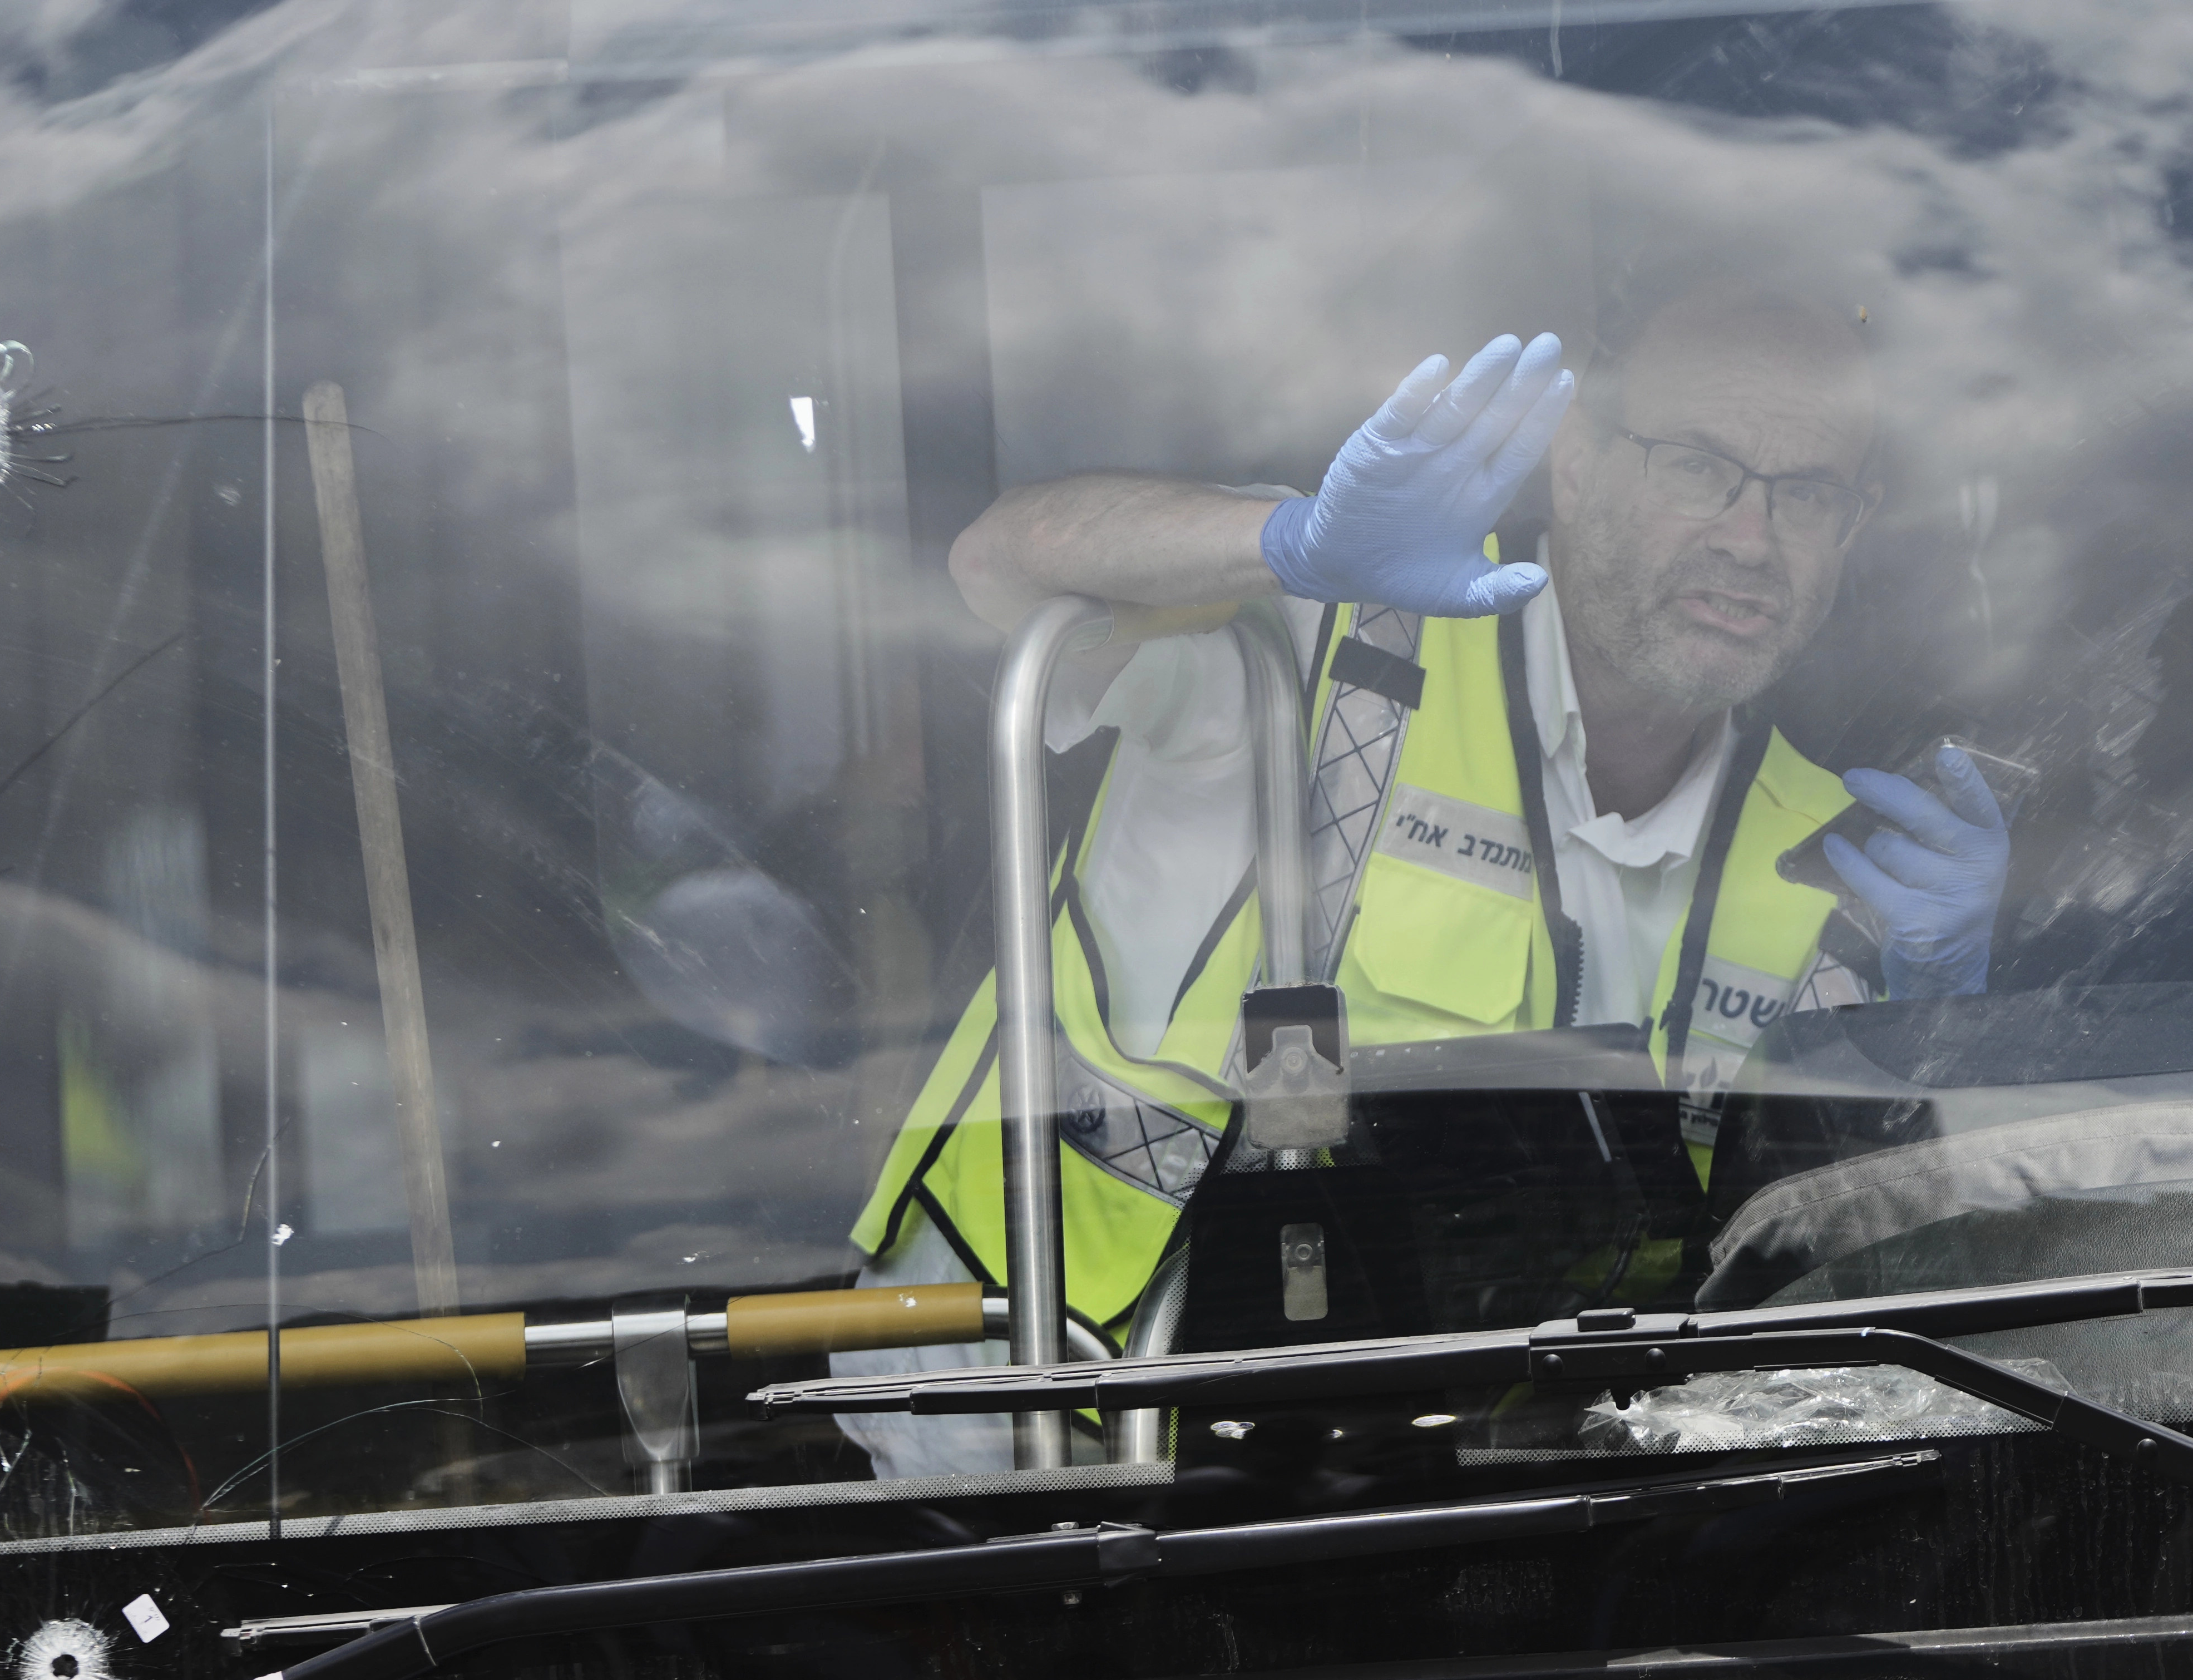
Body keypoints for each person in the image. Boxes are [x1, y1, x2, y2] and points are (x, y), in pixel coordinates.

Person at [834, 281, 2014, 1478]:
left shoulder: (1846, 855)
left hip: (1456, 1498)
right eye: (1695, 465)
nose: (1748, 537)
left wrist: (1925, 1030)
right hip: (1020, 1436)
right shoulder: (1319, 648)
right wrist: (1279, 546)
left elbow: (1814, 1277)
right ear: (1576, 464)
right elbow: (995, 565)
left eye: (1803, 494)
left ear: (1850, 529)